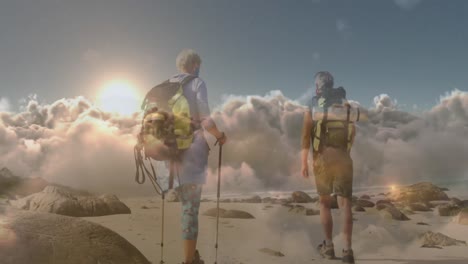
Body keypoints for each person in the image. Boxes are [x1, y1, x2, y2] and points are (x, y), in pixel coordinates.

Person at [170, 49, 227, 264]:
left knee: (186, 203)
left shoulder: (167, 85)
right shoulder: (196, 82)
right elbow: (204, 114)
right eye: (199, 64)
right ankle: (188, 260)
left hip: (171, 150)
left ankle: (190, 255)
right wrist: (218, 135)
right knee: (190, 207)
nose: (199, 68)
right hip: (192, 148)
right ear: (194, 64)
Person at [300, 71, 356, 263]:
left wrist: (303, 162)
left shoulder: (313, 103)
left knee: (324, 203)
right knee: (345, 204)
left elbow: (306, 135)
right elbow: (352, 131)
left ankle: (329, 247)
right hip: (343, 158)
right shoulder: (344, 102)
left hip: (322, 159)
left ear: (318, 86)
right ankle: (348, 252)